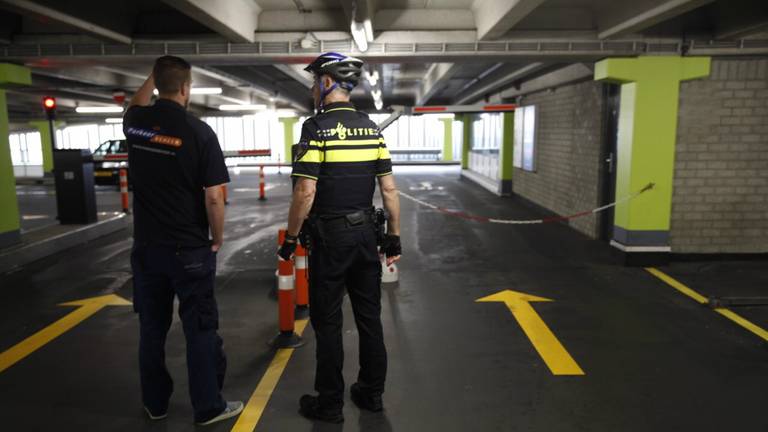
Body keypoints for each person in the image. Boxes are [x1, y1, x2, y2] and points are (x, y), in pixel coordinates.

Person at [277, 52, 402, 423]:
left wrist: (291, 238)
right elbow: (390, 191)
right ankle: (371, 394)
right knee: (369, 318)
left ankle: (329, 403)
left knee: (328, 323)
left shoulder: (315, 129)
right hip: (367, 235)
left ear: (327, 82)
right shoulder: (371, 128)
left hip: (330, 239)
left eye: (315, 80)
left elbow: (305, 192)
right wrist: (393, 238)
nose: (313, 87)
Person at [124, 55, 243, 426]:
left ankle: (155, 404)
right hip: (189, 249)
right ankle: (208, 407)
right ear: (187, 89)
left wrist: (155, 74)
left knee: (152, 330)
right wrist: (218, 237)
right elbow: (213, 196)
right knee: (200, 331)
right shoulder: (200, 132)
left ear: (158, 85)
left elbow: (135, 103)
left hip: (146, 248)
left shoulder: (137, 125)